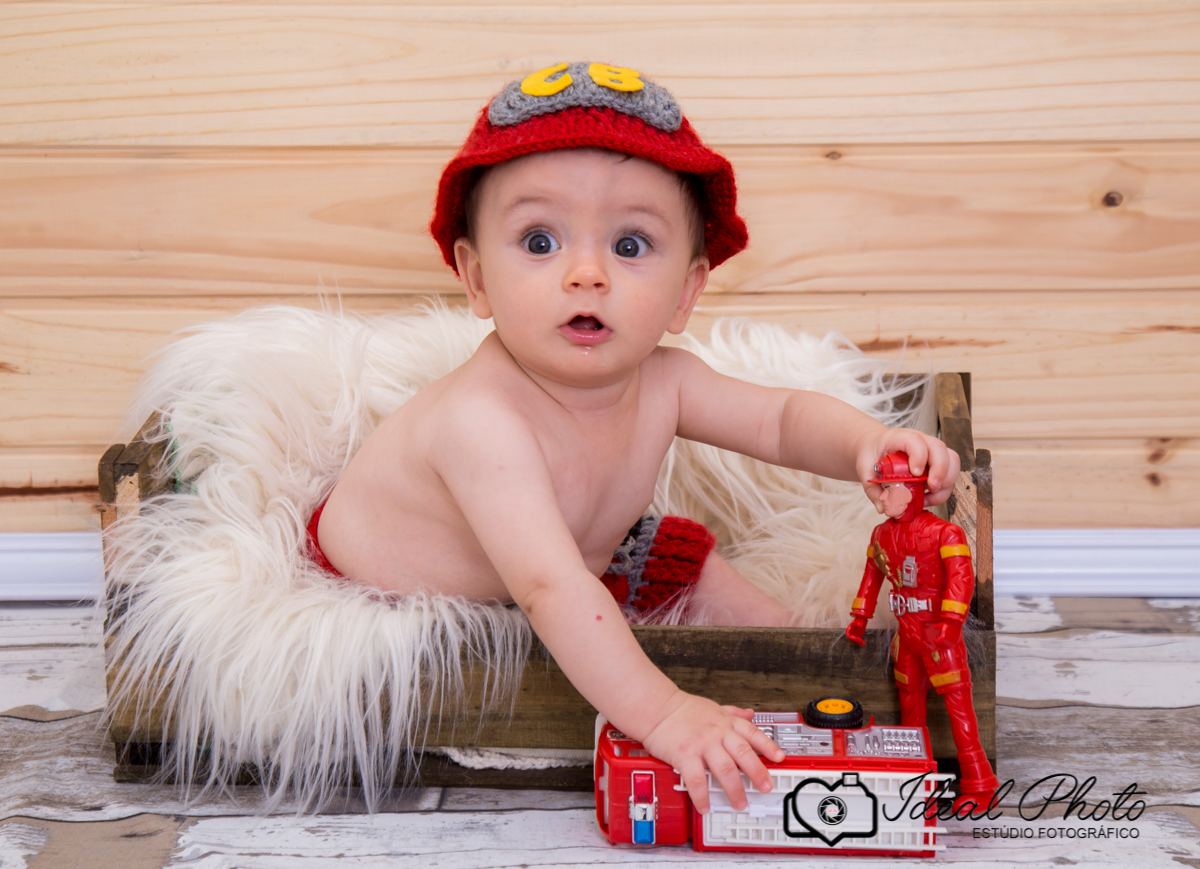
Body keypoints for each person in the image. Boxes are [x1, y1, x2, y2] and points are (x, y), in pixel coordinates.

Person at [311, 62, 960, 814]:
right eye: (540, 239)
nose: (587, 273)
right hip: (412, 588)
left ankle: (805, 656)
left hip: (587, 556)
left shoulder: (663, 379)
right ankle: (732, 688)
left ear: (686, 291)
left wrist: (865, 445)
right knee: (589, 591)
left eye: (629, 246)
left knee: (691, 563)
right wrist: (663, 712)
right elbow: (550, 589)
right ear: (476, 276)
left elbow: (779, 418)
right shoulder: (480, 421)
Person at [844, 451, 999, 813]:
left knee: (960, 711)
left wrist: (950, 623)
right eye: (881, 489)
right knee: (910, 710)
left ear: (911, 490)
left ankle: (980, 783)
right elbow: (872, 577)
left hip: (938, 637)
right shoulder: (881, 534)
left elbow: (961, 580)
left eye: (889, 489)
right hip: (907, 638)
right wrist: (859, 616)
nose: (881, 497)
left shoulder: (946, 533)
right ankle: (915, 779)